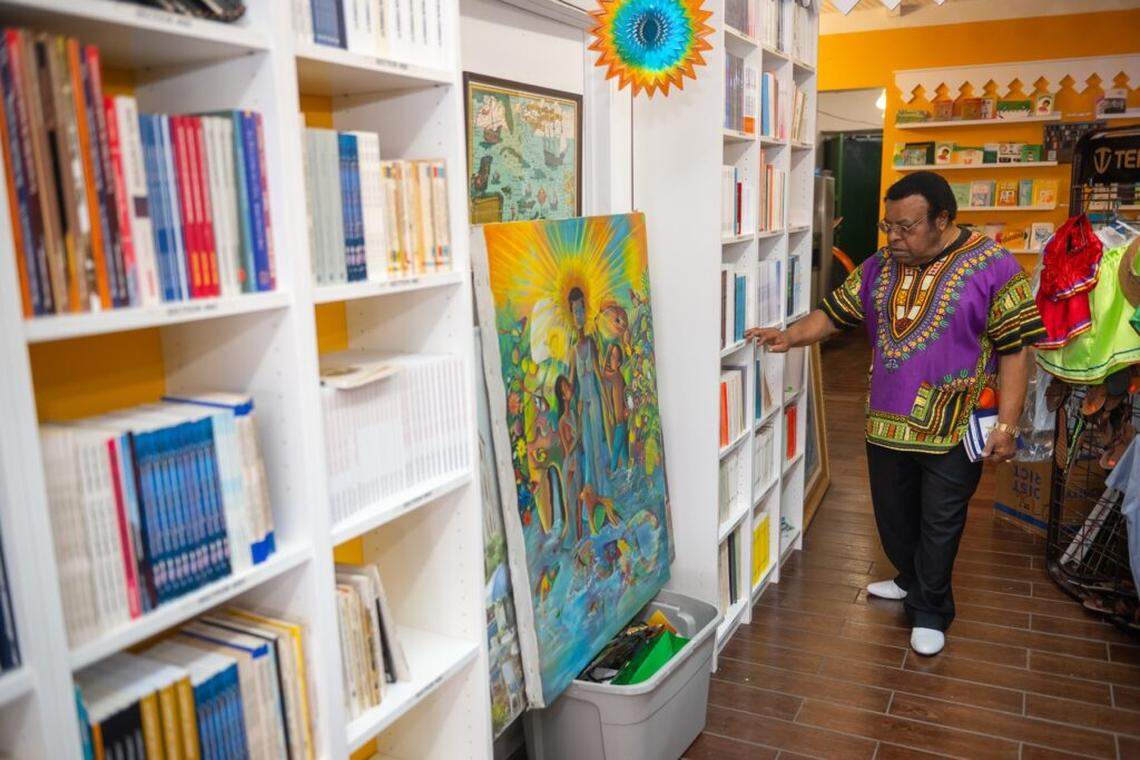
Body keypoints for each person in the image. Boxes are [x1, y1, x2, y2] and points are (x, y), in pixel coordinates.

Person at [746, 171, 1044, 656]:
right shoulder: (879, 265)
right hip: (885, 421)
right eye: (889, 227)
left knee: (940, 520)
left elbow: (1015, 350)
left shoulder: (995, 266)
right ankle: (909, 579)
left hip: (954, 424)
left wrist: (1007, 426)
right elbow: (835, 312)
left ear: (942, 220)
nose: (894, 238)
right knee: (893, 517)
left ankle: (931, 609)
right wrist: (789, 337)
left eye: (906, 227)